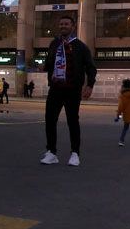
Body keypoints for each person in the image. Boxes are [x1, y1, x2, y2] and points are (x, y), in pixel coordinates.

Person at [40, 15, 97, 166]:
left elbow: (91, 67)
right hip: (55, 88)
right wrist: (44, 67)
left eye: (66, 24)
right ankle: (51, 152)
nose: (63, 26)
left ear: (73, 26)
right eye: (61, 24)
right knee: (50, 120)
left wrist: (90, 85)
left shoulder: (80, 46)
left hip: (72, 90)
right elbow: (49, 62)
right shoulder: (54, 43)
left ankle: (75, 153)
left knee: (72, 121)